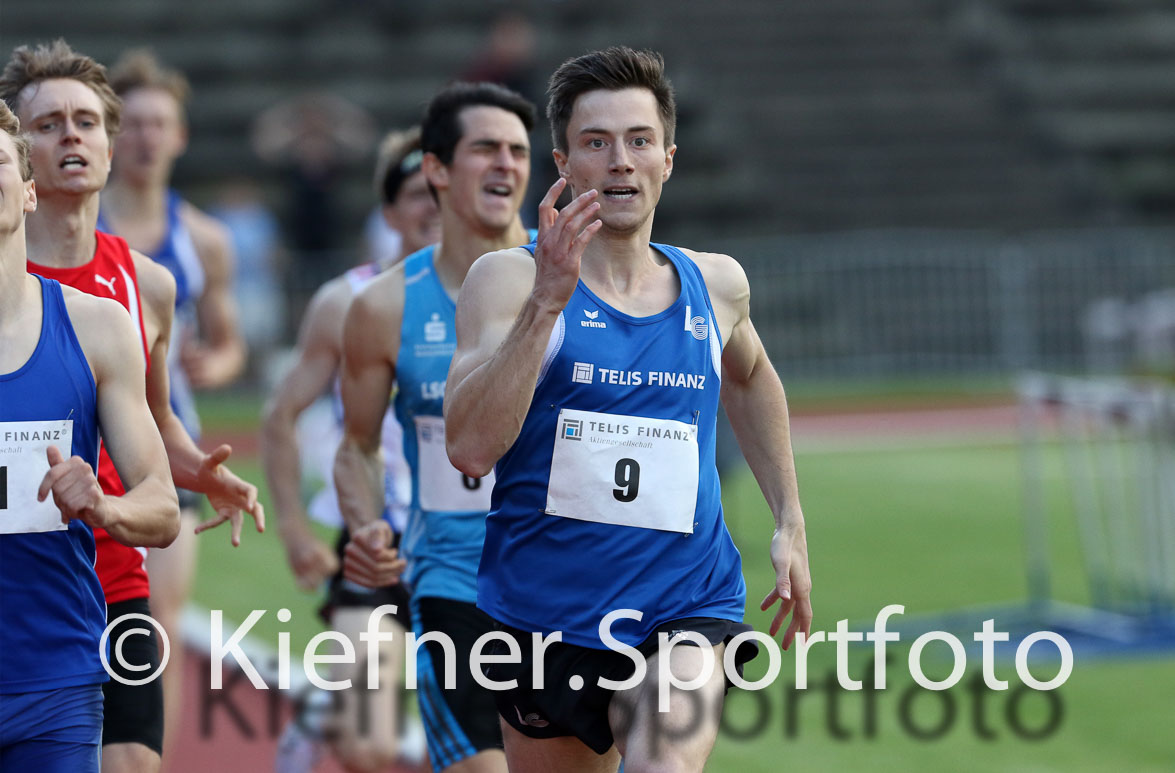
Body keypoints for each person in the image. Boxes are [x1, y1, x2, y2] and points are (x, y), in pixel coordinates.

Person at [443, 48, 813, 773]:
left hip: (686, 601)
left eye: (638, 140)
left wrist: (788, 519)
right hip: (543, 615)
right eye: (596, 142)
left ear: (667, 159)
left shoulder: (717, 284)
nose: (620, 161)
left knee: (662, 763)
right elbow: (470, 446)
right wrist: (548, 300)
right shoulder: (506, 281)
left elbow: (751, 376)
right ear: (563, 161)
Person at [1, 39, 264, 773]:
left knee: (134, 765)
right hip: (22, 587)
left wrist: (198, 472)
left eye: (85, 122)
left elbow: (153, 419)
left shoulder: (143, 284)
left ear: (110, 149)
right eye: (47, 124)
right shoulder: (5, 280)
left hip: (115, 572)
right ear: (19, 159)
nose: (71, 137)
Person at [336, 82, 535, 773]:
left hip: (575, 580)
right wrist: (365, 522)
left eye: (518, 151)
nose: (506, 165)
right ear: (437, 170)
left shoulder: (576, 277)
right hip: (455, 582)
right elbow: (356, 445)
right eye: (486, 149)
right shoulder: (383, 306)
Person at [0, 100, 179, 773]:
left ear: (26, 188)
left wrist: (102, 506)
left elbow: (161, 509)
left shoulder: (96, 327)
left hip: (56, 678)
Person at [262, 127, 438, 773]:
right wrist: (291, 525)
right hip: (375, 536)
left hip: (478, 542)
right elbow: (280, 414)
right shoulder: (346, 299)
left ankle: (326, 699)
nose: (434, 207)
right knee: (366, 746)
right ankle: (330, 709)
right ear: (388, 212)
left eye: (445, 190)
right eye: (418, 193)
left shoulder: (506, 293)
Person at [99, 50, 251, 764]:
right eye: (131, 123)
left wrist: (209, 363)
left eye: (160, 123)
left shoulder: (203, 242)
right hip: (83, 438)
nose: (146, 137)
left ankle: (149, 755)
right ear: (111, 133)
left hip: (170, 439)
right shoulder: (71, 220)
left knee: (157, 619)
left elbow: (228, 345)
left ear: (181, 135)